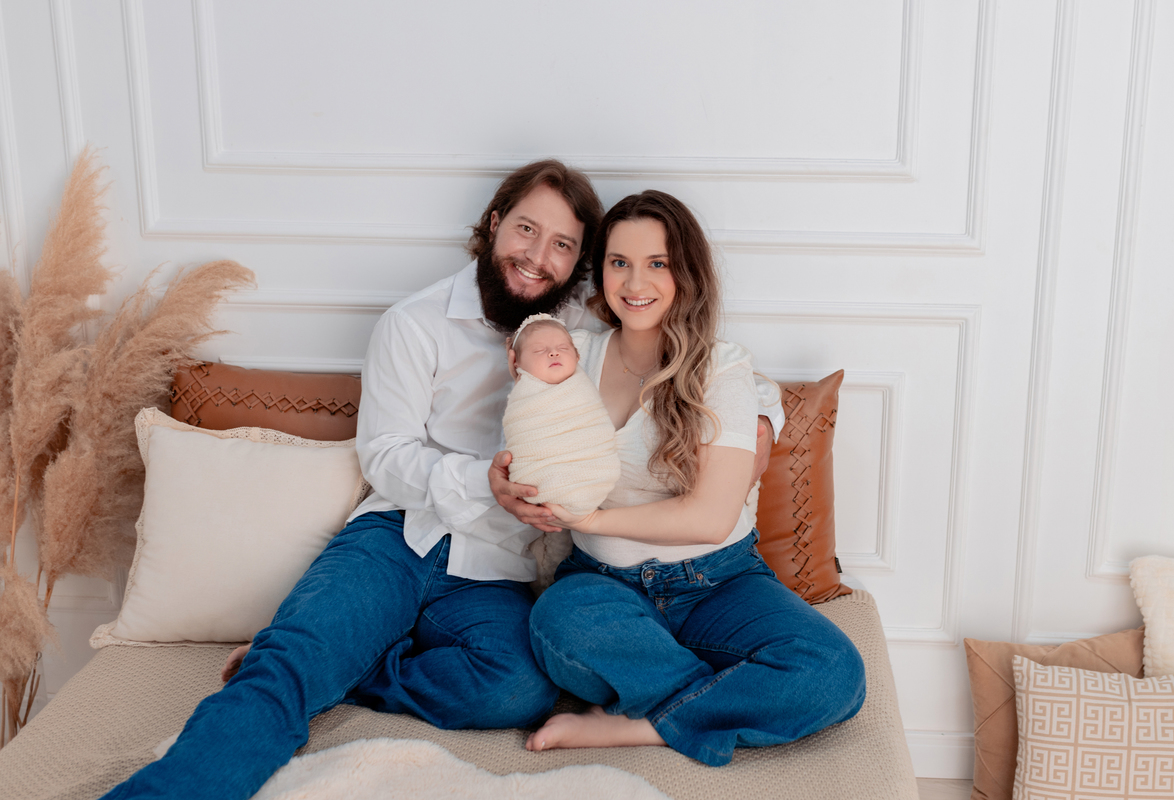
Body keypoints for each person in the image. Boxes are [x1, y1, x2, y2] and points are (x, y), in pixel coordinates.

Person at [101, 161, 781, 800]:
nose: (537, 256)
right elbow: (385, 456)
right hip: (397, 540)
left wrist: (765, 422)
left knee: (516, 688)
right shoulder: (413, 323)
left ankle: (359, 668)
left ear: (580, 263)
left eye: (563, 245)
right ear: (494, 224)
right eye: (526, 229)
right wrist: (486, 482)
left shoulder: (587, 325)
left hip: (496, 571)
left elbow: (712, 365)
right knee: (285, 671)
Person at [523, 191, 867, 767]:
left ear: (686, 273)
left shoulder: (720, 366)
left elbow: (710, 518)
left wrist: (590, 518)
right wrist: (514, 481)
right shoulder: (569, 357)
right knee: (555, 622)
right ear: (601, 270)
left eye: (657, 263)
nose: (636, 282)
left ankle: (641, 725)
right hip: (602, 586)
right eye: (619, 262)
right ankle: (719, 699)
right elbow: (530, 445)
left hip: (718, 581)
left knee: (834, 675)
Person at [502, 313, 621, 591]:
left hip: (594, 477)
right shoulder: (524, 397)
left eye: (563, 348)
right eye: (539, 350)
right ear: (515, 362)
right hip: (541, 483)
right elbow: (523, 435)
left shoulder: (582, 386)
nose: (553, 352)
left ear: (577, 356)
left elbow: (593, 426)